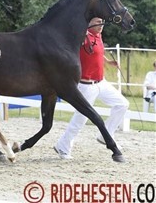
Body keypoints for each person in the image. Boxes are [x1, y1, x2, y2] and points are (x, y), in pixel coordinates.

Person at [54, 17, 129, 159]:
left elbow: (97, 52)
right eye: (96, 23)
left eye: (102, 23)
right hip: (86, 85)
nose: (101, 26)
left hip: (101, 82)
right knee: (80, 119)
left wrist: (108, 61)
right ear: (88, 24)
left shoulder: (98, 35)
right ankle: (62, 147)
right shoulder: (82, 36)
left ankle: (105, 134)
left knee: (122, 104)